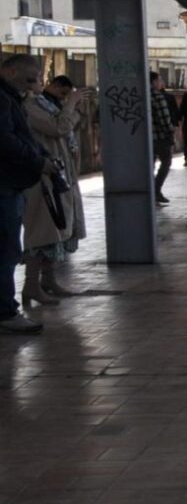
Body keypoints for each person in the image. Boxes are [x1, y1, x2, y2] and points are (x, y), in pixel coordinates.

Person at [21, 76, 86, 305]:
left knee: (56, 232)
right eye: (37, 78)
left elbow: (66, 126)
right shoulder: (29, 106)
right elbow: (59, 127)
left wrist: (72, 107)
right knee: (41, 232)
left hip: (58, 174)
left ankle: (48, 280)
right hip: (42, 178)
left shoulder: (46, 105)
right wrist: (71, 105)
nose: (42, 82)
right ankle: (30, 285)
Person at [0, 54, 50, 335]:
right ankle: (6, 311)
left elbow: (22, 136)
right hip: (5, 184)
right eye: (29, 78)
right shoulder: (4, 99)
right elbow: (7, 140)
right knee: (7, 249)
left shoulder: (11, 99)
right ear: (9, 71)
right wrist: (37, 161)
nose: (33, 85)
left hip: (10, 184)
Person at [149, 71, 176, 204]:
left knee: (150, 165)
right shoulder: (157, 96)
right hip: (160, 137)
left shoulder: (142, 94)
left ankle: (151, 191)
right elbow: (164, 118)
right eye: (159, 80)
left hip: (146, 139)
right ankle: (156, 189)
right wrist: (171, 132)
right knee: (166, 162)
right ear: (153, 82)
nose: (161, 83)